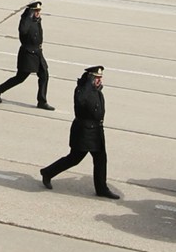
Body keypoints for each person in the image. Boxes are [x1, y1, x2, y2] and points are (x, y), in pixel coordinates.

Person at [39, 66, 119, 198]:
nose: (99, 80)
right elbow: (81, 101)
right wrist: (89, 84)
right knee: (74, 158)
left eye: (100, 78)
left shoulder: (96, 90)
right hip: (84, 132)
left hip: (96, 132)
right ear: (90, 78)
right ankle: (48, 172)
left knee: (100, 159)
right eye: (96, 78)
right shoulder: (82, 90)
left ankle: (101, 189)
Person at [0, 2, 54, 110]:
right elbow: (23, 31)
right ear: (31, 11)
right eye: (36, 11)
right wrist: (29, 17)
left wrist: (35, 19)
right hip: (27, 54)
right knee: (20, 78)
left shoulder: (36, 20)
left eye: (39, 11)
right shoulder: (26, 20)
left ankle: (42, 101)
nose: (38, 13)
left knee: (44, 75)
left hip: (37, 52)